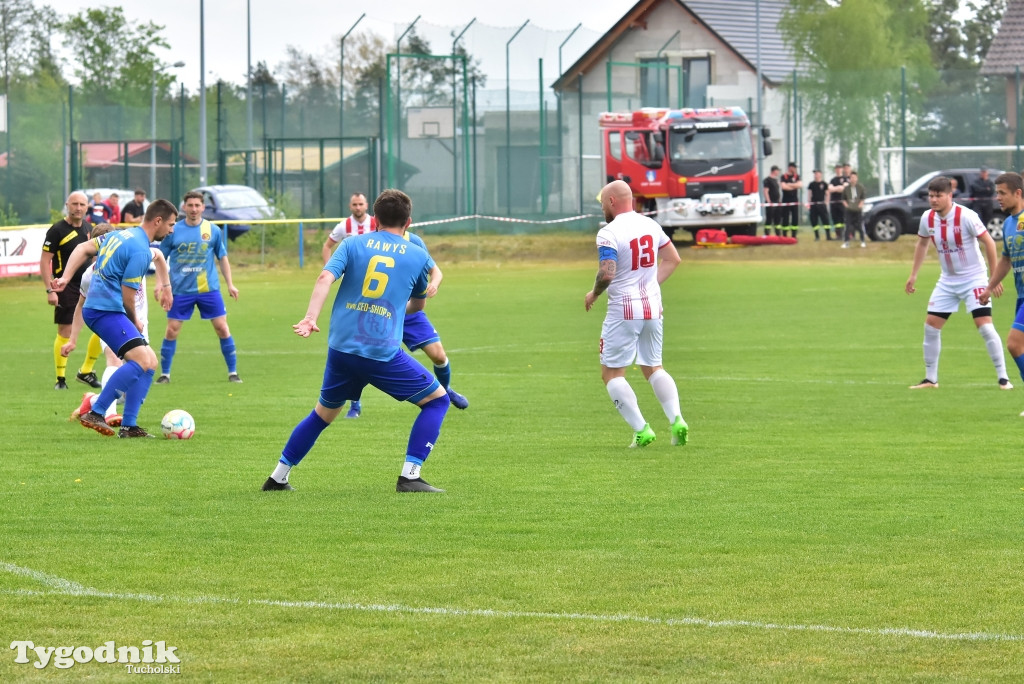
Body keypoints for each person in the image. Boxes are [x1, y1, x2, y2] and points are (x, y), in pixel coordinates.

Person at [262, 188, 451, 493]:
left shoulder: (352, 243)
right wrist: (394, 307)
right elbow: (418, 305)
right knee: (438, 400)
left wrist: (311, 318)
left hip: (341, 349)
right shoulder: (417, 255)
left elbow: (325, 278)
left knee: (322, 414)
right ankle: (410, 477)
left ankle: (278, 477)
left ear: (375, 218)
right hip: (381, 352)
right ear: (409, 222)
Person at [50, 200, 178, 438]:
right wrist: (135, 322)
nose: (171, 230)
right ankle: (96, 411)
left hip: (104, 310)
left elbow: (82, 248)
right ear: (157, 221)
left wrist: (66, 277)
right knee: (140, 360)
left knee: (150, 363)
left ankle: (129, 426)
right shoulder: (139, 250)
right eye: (170, 224)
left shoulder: (121, 236)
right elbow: (128, 298)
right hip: (104, 311)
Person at [584, 179, 688, 448]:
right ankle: (677, 420)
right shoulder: (650, 225)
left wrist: (594, 293)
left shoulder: (609, 232)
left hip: (624, 310)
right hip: (653, 307)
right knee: (653, 366)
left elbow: (608, 272)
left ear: (611, 201)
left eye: (602, 203)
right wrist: (650, 285)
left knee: (612, 373)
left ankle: (642, 430)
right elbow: (673, 259)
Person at [336, 225, 470, 419]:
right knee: (367, 357)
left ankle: (445, 390)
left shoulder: (414, 242)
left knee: (439, 355)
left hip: (410, 312)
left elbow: (436, 272)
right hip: (380, 312)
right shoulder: (371, 241)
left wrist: (433, 284)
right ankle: (355, 404)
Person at [905, 176, 1011, 391]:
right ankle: (930, 379)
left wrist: (993, 278)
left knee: (984, 326)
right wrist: (914, 274)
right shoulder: (927, 218)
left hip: (974, 278)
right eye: (931, 196)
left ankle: (1003, 379)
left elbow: (989, 242)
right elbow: (922, 244)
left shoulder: (966, 216)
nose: (933, 200)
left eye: (938, 196)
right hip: (947, 281)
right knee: (931, 326)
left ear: (949, 195)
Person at [156, 190, 242, 384]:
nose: (194, 209)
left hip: (208, 289)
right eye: (190, 205)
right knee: (171, 330)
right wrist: (160, 285)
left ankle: (233, 372)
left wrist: (230, 284)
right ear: (184, 207)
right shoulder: (173, 230)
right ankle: (165, 374)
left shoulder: (213, 230)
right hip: (180, 290)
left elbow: (222, 257)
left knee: (222, 328)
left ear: (203, 207)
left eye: (197, 205)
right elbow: (161, 258)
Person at [40, 191, 103, 390]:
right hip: (65, 287)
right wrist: (50, 289)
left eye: (82, 204)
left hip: (89, 285)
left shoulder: (89, 228)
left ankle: (86, 370)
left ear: (87, 207)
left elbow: (96, 257)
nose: (78, 208)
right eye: (74, 204)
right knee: (65, 331)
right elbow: (45, 261)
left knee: (102, 327)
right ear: (67, 205)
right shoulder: (57, 230)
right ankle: (61, 379)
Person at [980, 173, 1024, 412]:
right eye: (997, 193)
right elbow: (1006, 259)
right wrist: (989, 287)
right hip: (1021, 296)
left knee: (1014, 344)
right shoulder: (1007, 223)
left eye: (1002, 193)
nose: (998, 197)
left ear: (1018, 193)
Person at [321, 192, 377, 264]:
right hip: (350, 271)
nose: (358, 208)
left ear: (366, 205)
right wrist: (328, 270)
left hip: (372, 270)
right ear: (350, 206)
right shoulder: (343, 226)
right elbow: (327, 246)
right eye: (354, 204)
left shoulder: (377, 224)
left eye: (360, 204)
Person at [841, 170, 867, 248]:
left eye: (854, 177)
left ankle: (862, 241)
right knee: (848, 226)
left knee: (859, 226)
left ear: (857, 178)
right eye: (851, 177)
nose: (853, 179)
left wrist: (860, 205)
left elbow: (863, 198)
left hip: (858, 210)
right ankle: (846, 242)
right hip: (849, 211)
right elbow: (843, 199)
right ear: (849, 179)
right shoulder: (846, 188)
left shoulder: (860, 187)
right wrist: (847, 206)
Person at [807, 169, 832, 241]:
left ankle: (828, 236)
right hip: (814, 205)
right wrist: (809, 203)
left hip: (822, 205)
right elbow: (809, 194)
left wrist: (826, 203)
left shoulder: (824, 184)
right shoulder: (811, 184)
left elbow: (827, 194)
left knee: (825, 220)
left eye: (817, 173)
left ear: (820, 174)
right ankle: (817, 236)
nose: (815, 175)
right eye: (815, 174)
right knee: (814, 221)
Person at [780, 161, 802, 238]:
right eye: (794, 167)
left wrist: (789, 184)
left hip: (794, 200)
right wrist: (793, 186)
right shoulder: (784, 176)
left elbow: (799, 185)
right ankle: (785, 235)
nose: (795, 169)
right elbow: (783, 187)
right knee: (785, 217)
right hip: (786, 200)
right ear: (790, 168)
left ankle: (794, 235)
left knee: (795, 217)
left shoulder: (797, 176)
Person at [828, 163, 848, 238]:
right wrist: (839, 188)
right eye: (837, 168)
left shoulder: (845, 179)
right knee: (835, 219)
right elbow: (830, 189)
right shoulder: (833, 180)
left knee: (843, 218)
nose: (838, 170)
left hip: (842, 202)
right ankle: (838, 235)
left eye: (839, 168)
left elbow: (845, 188)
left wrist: (835, 188)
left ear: (842, 169)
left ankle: (844, 234)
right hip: (834, 203)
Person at [763, 165, 782, 237]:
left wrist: (779, 200)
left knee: (778, 219)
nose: (778, 172)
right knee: (769, 218)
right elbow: (766, 191)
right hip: (771, 202)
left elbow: (778, 191)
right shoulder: (767, 180)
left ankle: (778, 234)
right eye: (777, 171)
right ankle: (767, 234)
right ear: (774, 171)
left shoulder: (776, 180)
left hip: (777, 202)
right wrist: (769, 201)